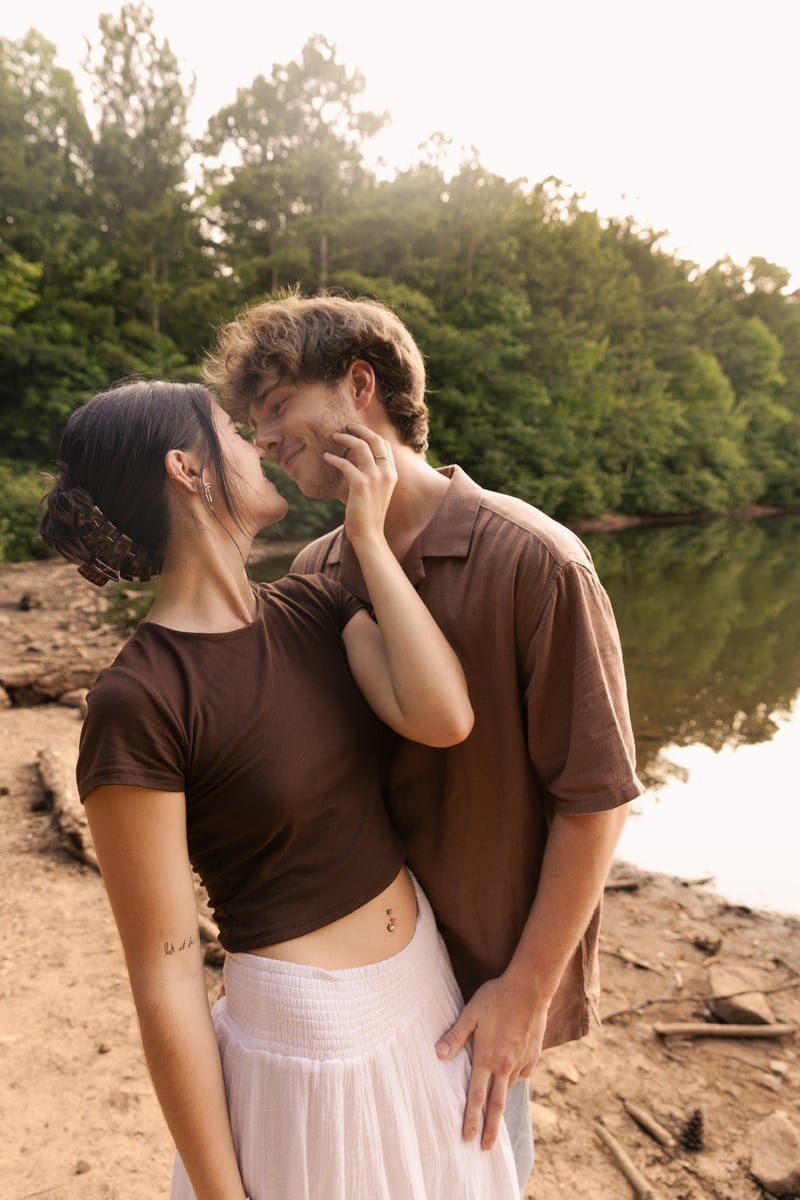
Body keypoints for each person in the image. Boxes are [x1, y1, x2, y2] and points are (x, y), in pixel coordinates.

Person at [203, 293, 645, 1194]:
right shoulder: (316, 572)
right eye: (254, 425)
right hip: (363, 986)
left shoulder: (538, 560)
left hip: (481, 986)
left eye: (278, 406)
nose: (264, 440)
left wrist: (525, 991)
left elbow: (596, 800)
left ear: (359, 386)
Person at [39, 379, 519, 1200]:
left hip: (428, 991)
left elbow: (445, 716)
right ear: (187, 469)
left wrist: (367, 542)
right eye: (233, 430)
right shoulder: (139, 701)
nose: (259, 441)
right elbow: (166, 976)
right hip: (308, 1044)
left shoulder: (315, 604)